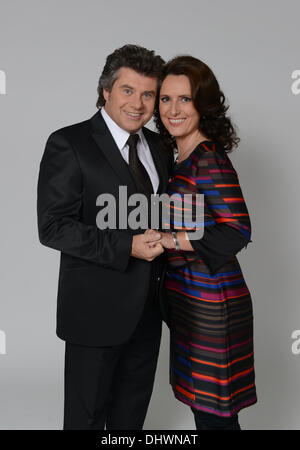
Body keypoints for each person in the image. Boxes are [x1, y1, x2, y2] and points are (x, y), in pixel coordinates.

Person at [37, 44, 173, 430]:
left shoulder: (160, 148)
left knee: (131, 422)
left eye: (148, 94)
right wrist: (125, 246)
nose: (138, 103)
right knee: (86, 421)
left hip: (149, 310)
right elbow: (53, 226)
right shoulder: (69, 143)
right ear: (105, 91)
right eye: (128, 90)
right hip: (94, 313)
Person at [154, 56, 257, 430]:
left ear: (204, 104)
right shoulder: (175, 157)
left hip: (213, 304)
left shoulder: (208, 159)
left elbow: (237, 230)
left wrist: (171, 240)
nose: (173, 109)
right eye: (166, 99)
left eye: (185, 99)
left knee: (215, 416)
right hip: (187, 302)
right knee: (203, 411)